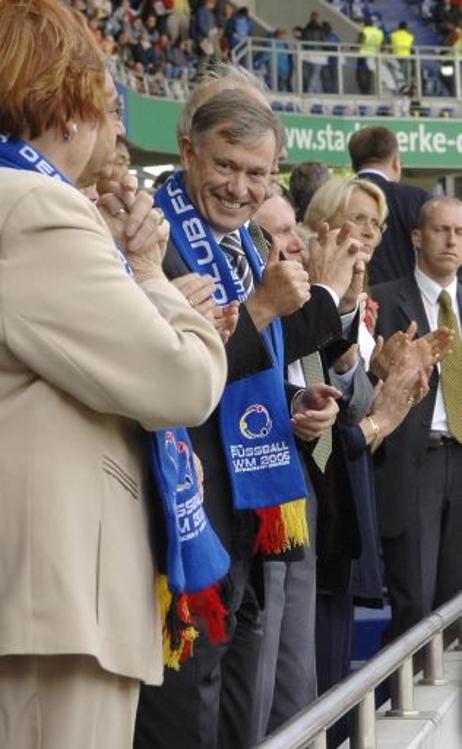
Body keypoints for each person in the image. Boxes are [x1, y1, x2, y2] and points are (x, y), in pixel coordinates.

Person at [0, 2, 227, 748]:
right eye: (108, 107)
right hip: (55, 611)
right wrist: (151, 276)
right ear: (68, 107)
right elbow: (183, 381)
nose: (115, 128)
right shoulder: (36, 209)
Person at [135, 87, 362, 749]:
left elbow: (238, 369)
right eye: (226, 166)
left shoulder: (234, 246)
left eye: (257, 174)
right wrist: (268, 307)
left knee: (245, 717)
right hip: (182, 522)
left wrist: (287, 409)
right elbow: (170, 375)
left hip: (249, 513)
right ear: (187, 151)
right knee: (188, 716)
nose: (240, 188)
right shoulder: (155, 238)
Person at [371, 196, 462, 642]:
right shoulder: (384, 300)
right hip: (414, 460)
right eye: (442, 230)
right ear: (417, 237)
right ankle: (401, 706)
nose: (451, 240)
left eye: (460, 232)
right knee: (415, 605)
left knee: (457, 601)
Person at [348, 126, 429, 285]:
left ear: (354, 165)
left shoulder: (335, 198)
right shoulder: (415, 199)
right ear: (395, 162)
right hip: (404, 304)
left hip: (346, 300)